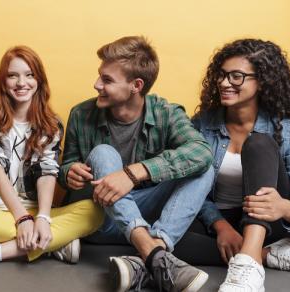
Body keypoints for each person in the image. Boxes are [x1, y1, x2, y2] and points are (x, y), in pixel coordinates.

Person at [58, 36, 214, 292]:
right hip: (98, 218)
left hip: (146, 218)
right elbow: (66, 168)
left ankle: (152, 253)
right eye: (100, 76)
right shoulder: (81, 114)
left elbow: (202, 152)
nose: (96, 84)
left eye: (107, 80)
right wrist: (69, 173)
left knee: (204, 167)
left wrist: (132, 173)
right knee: (103, 153)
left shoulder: (167, 113)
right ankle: (153, 253)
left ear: (136, 85)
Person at [0, 46, 103, 271]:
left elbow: (47, 171)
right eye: (13, 75)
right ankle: (53, 244)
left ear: (39, 80)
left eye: (29, 75)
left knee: (95, 211)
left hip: (35, 212)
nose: (22, 83)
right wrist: (21, 219)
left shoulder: (51, 123)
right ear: (3, 80)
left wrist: (43, 218)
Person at [189, 39, 290, 292]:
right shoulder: (202, 125)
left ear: (262, 82)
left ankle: (248, 266)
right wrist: (222, 227)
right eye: (222, 75)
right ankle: (267, 255)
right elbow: (193, 190)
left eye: (236, 76)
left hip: (270, 223)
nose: (224, 83)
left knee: (259, 144)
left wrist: (285, 207)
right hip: (221, 222)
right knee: (166, 237)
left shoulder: (289, 130)